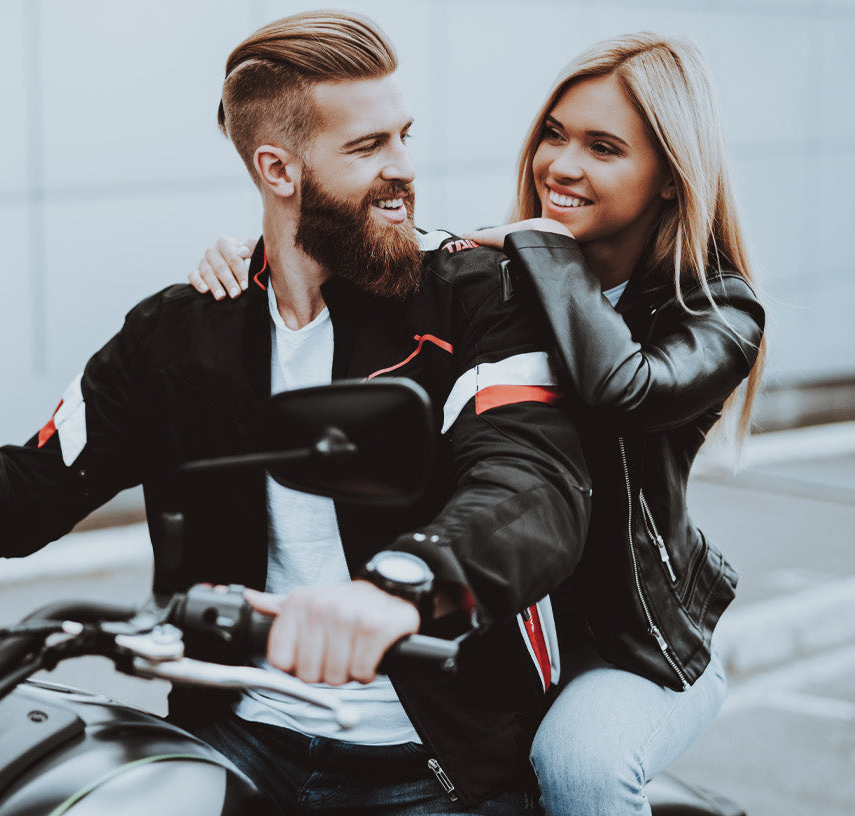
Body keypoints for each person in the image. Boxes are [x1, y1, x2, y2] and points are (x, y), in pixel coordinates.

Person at [0, 11, 590, 815]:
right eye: (369, 146)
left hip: (431, 762)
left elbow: (531, 483)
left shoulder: (473, 298)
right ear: (278, 170)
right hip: (234, 739)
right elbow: (34, 481)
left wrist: (401, 586)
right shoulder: (180, 333)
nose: (404, 167)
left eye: (406, 135)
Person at [188, 32, 766, 816]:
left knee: (580, 768)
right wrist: (258, 256)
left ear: (669, 176)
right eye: (555, 135)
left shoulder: (717, 309)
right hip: (512, 628)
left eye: (603, 147)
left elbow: (625, 389)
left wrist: (547, 253)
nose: (561, 165)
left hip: (626, 641)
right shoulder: (506, 268)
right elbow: (370, 257)